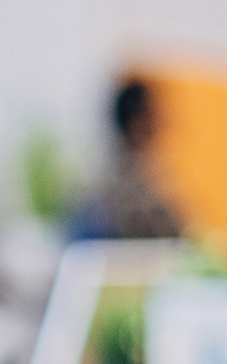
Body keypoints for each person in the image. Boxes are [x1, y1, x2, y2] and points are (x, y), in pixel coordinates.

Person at [70, 75, 183, 241]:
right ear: (136, 121)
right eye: (152, 113)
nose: (160, 121)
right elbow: (174, 237)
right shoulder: (136, 183)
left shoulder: (102, 177)